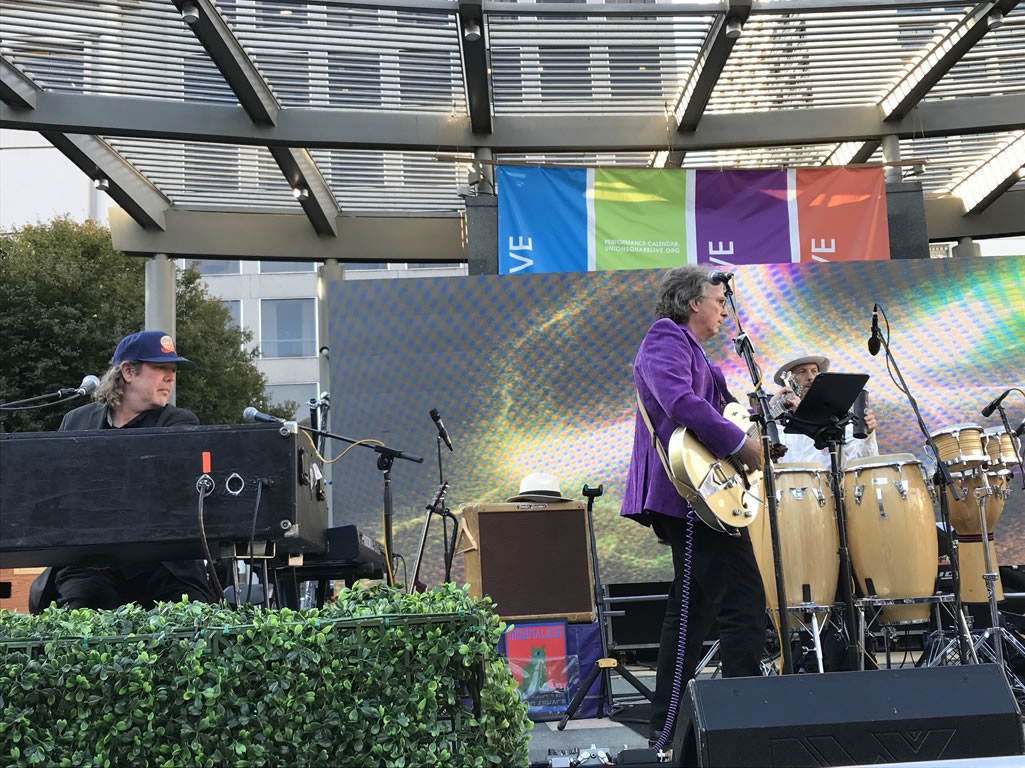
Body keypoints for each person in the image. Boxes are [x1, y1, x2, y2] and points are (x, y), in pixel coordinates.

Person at [621, 265, 766, 751]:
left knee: (691, 614)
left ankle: (666, 735)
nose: (724, 309)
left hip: (700, 498)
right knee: (742, 602)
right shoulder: (665, 336)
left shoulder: (697, 352)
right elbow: (680, 401)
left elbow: (721, 412)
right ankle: (744, 728)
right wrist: (740, 445)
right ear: (692, 303)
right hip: (690, 498)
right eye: (718, 300)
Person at [29, 331, 212, 612]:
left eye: (173, 370)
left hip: (160, 562)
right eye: (161, 368)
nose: (170, 377)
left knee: (189, 614)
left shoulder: (178, 422)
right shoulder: (76, 421)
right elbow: (55, 495)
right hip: (89, 560)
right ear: (127, 371)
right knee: (82, 607)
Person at [770, 350, 878, 467]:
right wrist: (770, 414)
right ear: (788, 383)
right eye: (802, 372)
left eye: (814, 371)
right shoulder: (778, 424)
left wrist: (867, 435)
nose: (810, 377)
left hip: (831, 479)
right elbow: (759, 459)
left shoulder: (838, 418)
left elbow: (863, 464)